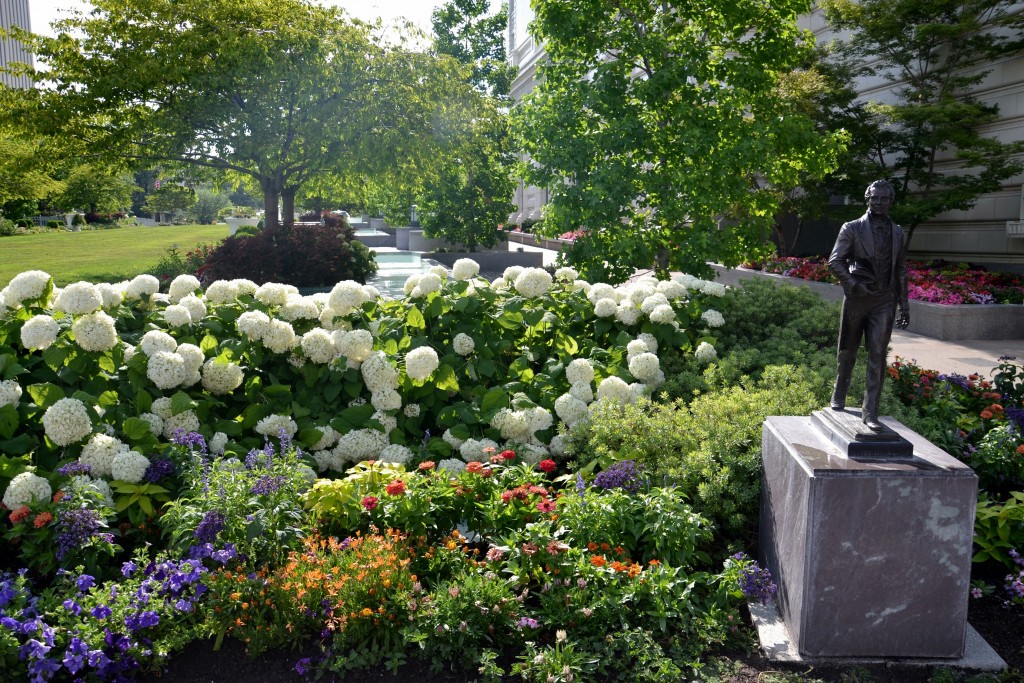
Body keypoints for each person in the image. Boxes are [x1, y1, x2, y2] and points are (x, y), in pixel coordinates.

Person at [827, 180, 910, 431]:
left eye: (884, 198)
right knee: (848, 351)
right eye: (875, 198)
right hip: (857, 299)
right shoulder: (852, 228)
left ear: (891, 201)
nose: (879, 203)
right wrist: (854, 284)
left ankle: (871, 411)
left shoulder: (898, 232)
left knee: (877, 354)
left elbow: (901, 270)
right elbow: (835, 261)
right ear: (868, 199)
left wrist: (904, 304)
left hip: (884, 300)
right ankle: (840, 391)